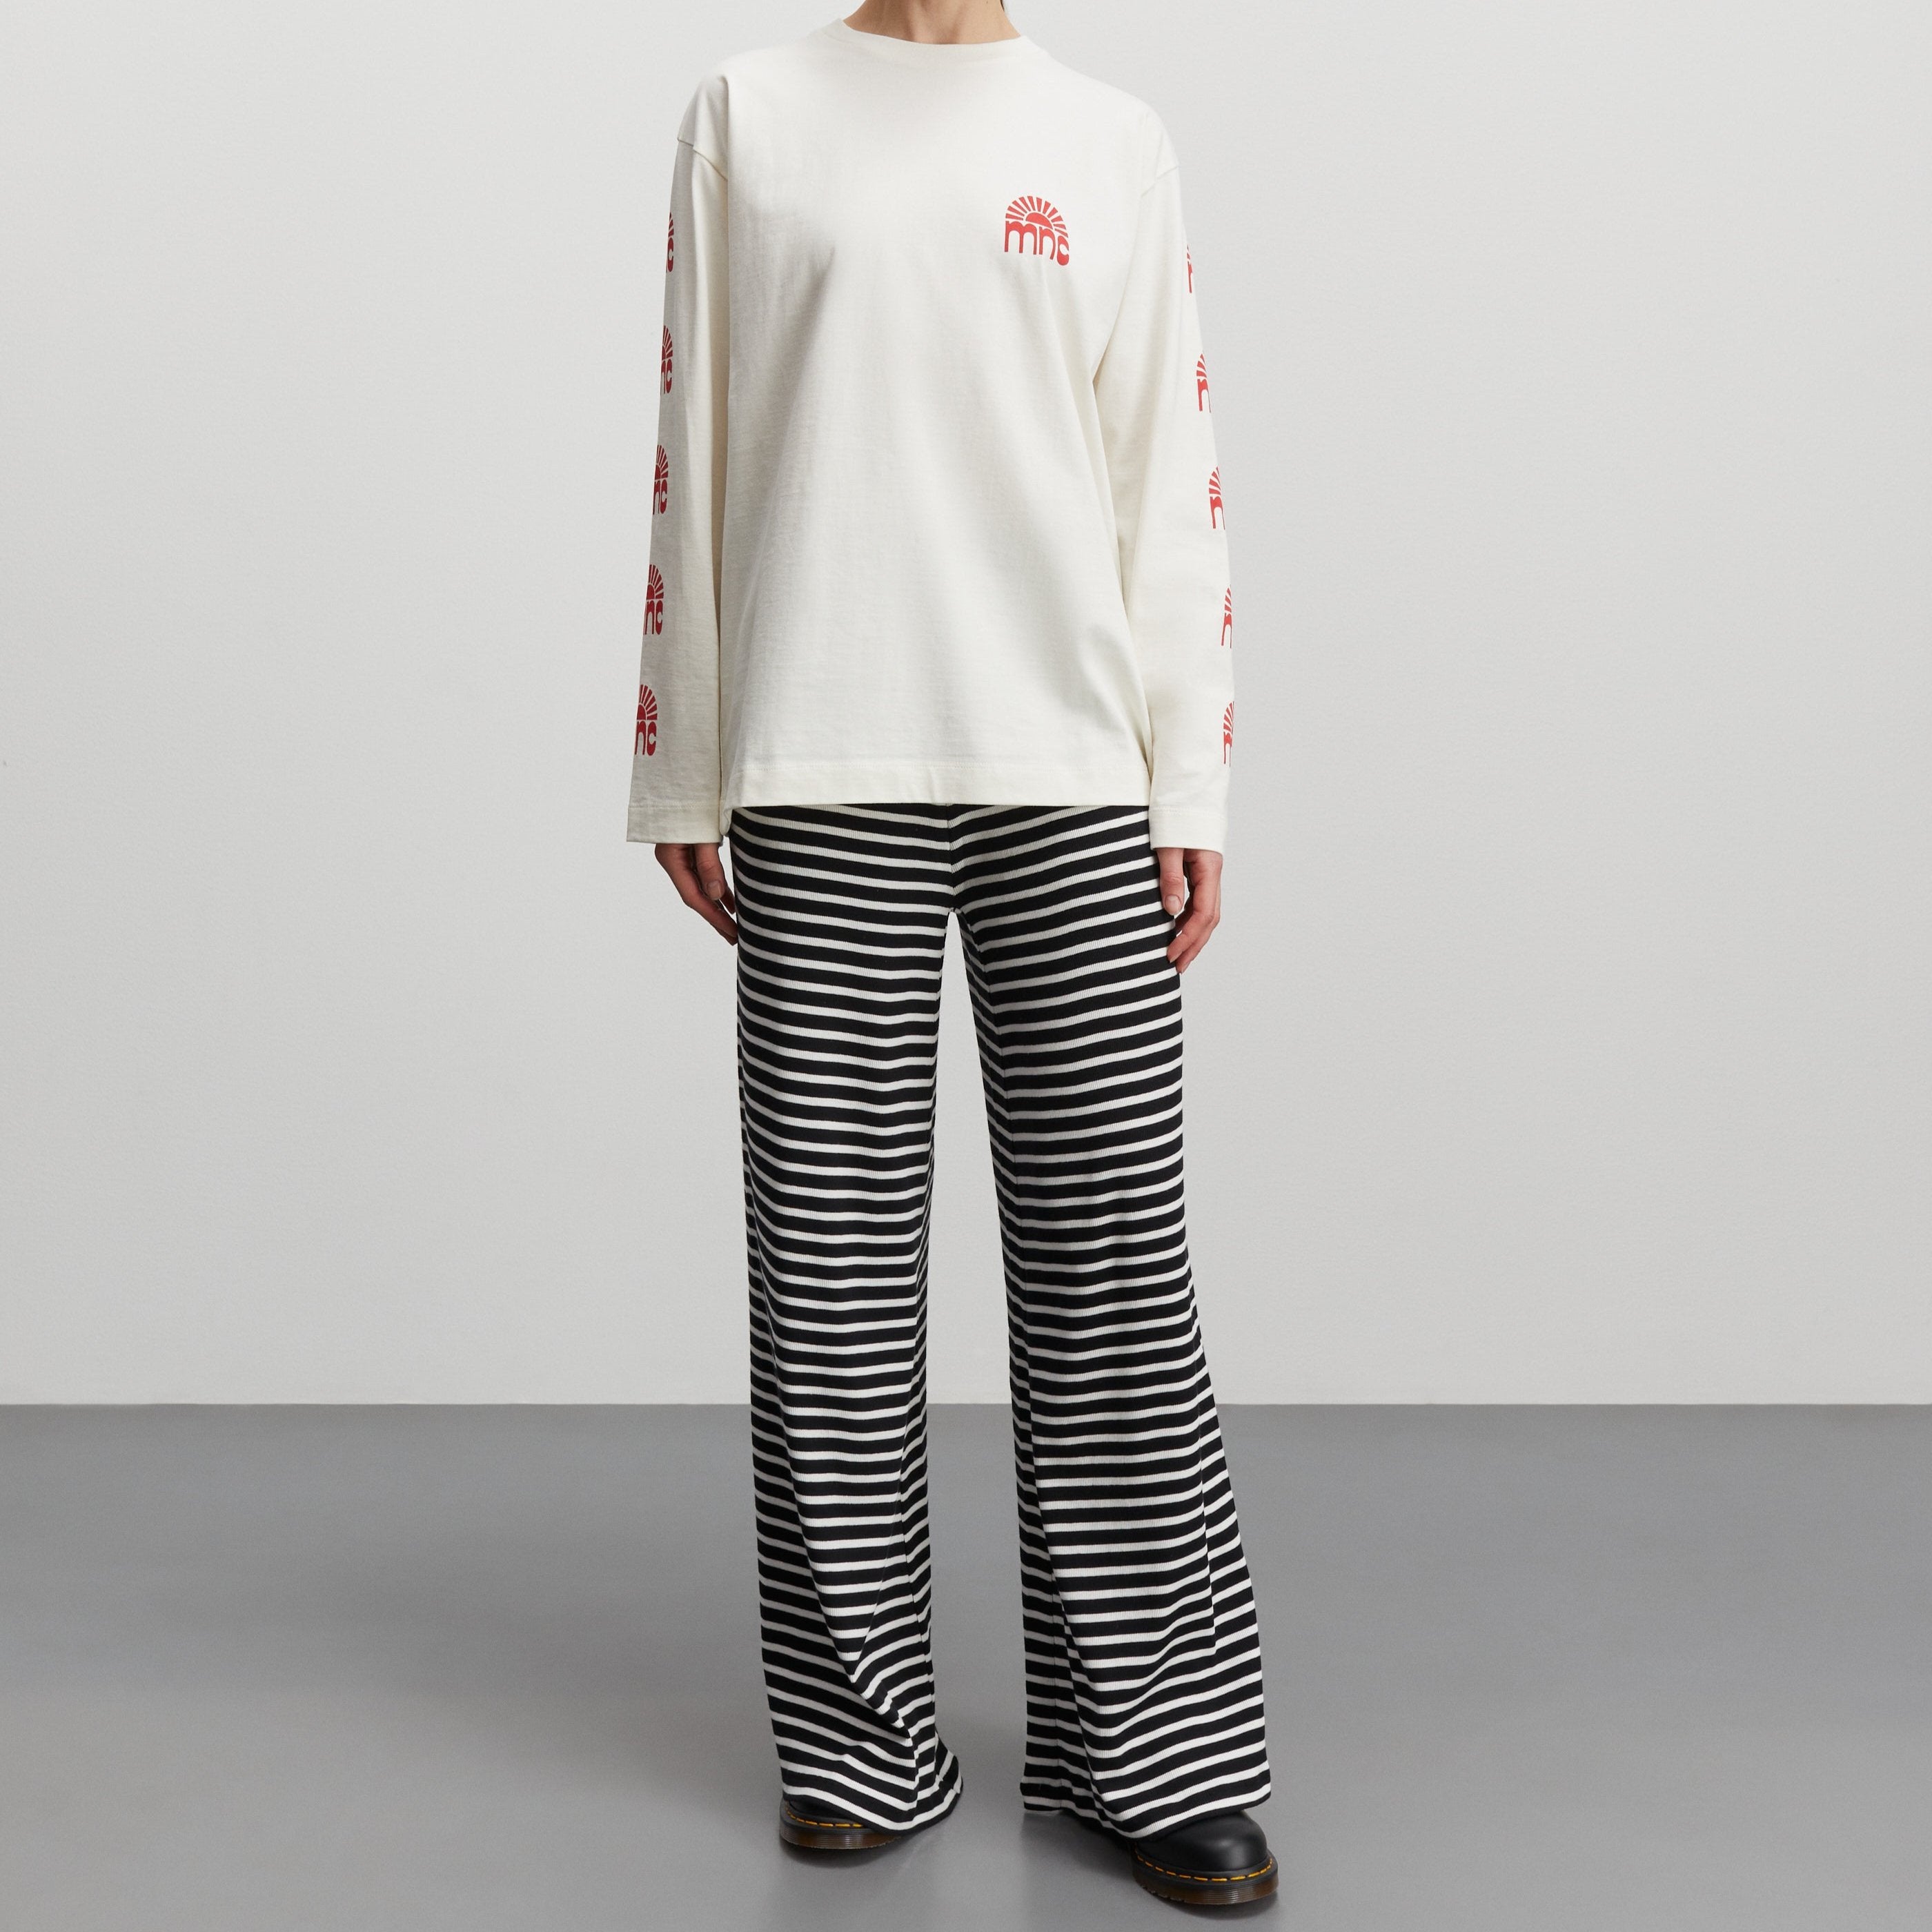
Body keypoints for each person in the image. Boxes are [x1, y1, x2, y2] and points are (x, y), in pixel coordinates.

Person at [628, 0, 1273, 1908]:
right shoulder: (749, 115)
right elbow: (695, 438)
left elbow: (1166, 467)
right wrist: (687, 754)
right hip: (820, 754)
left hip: (1068, 765)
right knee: (827, 1279)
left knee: (1111, 1260)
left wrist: (1189, 770)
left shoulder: (1110, 138)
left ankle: (1152, 1750)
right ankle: (855, 1744)